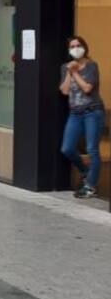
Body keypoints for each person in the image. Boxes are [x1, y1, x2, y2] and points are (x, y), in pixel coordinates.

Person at [60, 35, 104, 199]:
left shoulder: (92, 66)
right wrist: (69, 73)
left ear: (84, 47)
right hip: (75, 113)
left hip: (92, 112)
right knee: (67, 148)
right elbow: (65, 91)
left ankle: (91, 186)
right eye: (72, 46)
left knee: (92, 149)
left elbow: (87, 88)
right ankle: (86, 172)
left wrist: (75, 72)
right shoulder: (65, 67)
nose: (75, 48)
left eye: (78, 45)